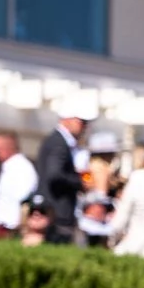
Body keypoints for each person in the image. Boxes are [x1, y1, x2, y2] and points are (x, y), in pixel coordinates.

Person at [37, 104, 98, 243]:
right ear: (68, 119)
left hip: (56, 213)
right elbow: (55, 175)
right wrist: (79, 182)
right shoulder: (59, 143)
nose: (84, 127)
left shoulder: (61, 142)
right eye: (82, 122)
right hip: (57, 213)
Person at [0, 132, 38, 235]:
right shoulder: (7, 166)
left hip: (11, 228)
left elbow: (24, 197)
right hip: (1, 227)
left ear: (9, 147)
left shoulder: (22, 167)